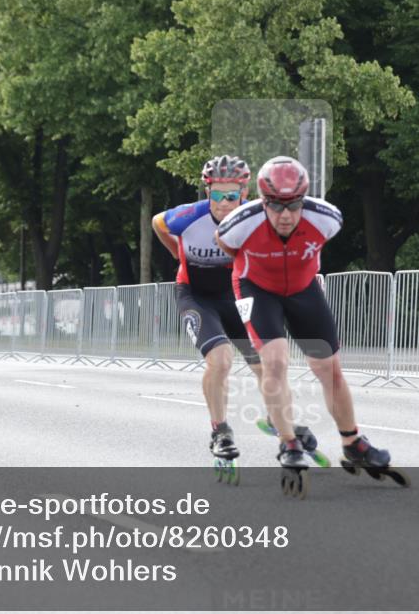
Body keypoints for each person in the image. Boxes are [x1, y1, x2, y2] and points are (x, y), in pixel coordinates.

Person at [216, 156, 401, 478]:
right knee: (274, 361)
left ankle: (353, 443)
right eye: (275, 206)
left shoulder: (327, 218)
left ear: (304, 199)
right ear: (263, 201)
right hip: (256, 287)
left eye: (294, 205)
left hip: (303, 287)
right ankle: (289, 443)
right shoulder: (239, 223)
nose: (285, 215)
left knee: (329, 370)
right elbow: (228, 247)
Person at [151, 155, 317, 463]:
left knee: (267, 363)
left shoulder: (255, 218)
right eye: (216, 194)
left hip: (236, 294)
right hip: (196, 295)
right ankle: (220, 431)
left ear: (244, 194)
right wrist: (178, 252)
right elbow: (158, 222)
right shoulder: (189, 217)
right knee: (221, 360)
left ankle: (280, 421)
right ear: (206, 192)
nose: (224, 202)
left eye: (232, 195)